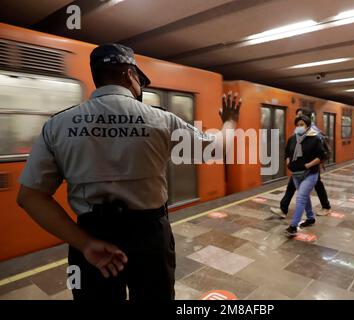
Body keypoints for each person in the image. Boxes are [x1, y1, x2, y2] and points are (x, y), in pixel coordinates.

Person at [16, 43, 241, 301]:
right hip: (150, 236)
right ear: (130, 75)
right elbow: (216, 150)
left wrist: (84, 243)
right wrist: (230, 121)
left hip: (91, 236)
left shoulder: (57, 125)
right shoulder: (161, 120)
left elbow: (29, 197)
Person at [271, 108, 331, 218]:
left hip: (309, 167)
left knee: (316, 186)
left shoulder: (313, 131)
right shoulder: (301, 129)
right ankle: (284, 209)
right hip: (301, 166)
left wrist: (311, 164)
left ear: (305, 118)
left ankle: (324, 208)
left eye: (299, 115)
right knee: (293, 186)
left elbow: (320, 151)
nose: (296, 117)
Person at [284, 115, 327, 237]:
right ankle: (310, 217)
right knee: (304, 196)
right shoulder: (292, 139)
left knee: (301, 197)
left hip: (310, 173)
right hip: (296, 173)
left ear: (308, 125)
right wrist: (288, 163)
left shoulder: (315, 139)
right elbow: (287, 152)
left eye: (302, 124)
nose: (299, 127)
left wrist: (308, 165)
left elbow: (322, 156)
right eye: (297, 124)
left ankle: (293, 226)